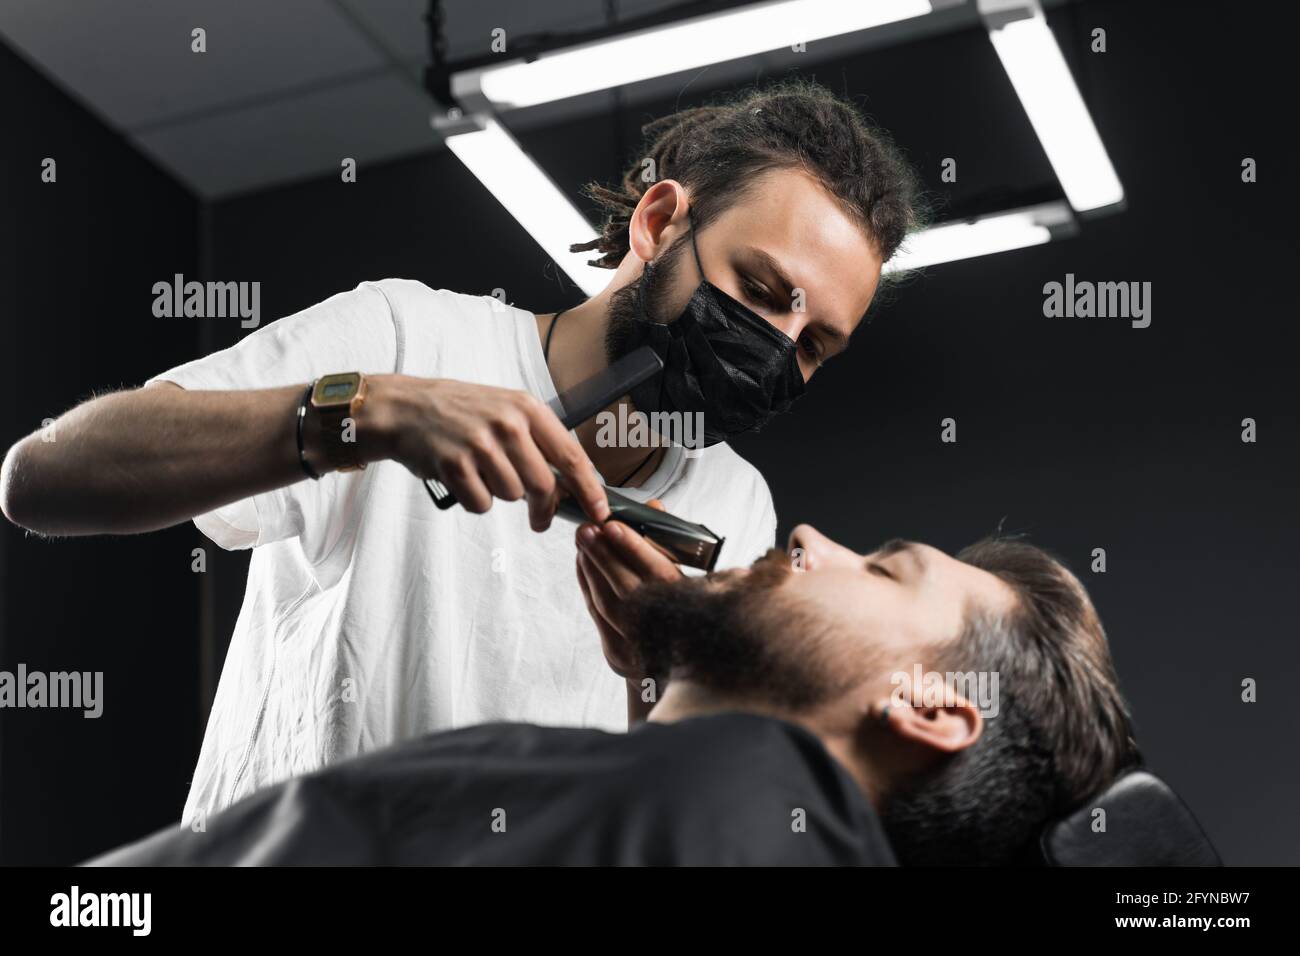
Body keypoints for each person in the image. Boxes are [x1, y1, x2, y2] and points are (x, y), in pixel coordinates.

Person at [0, 80, 924, 827]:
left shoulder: (735, 503)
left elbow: (676, 786)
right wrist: (366, 413)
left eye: (813, 347)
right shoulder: (409, 336)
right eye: (759, 290)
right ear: (658, 223)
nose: (773, 349)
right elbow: (41, 479)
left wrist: (653, 669)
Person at [87, 523, 1139, 867]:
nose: (813, 537)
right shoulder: (734, 812)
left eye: (882, 566)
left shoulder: (719, 796)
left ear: (930, 706)